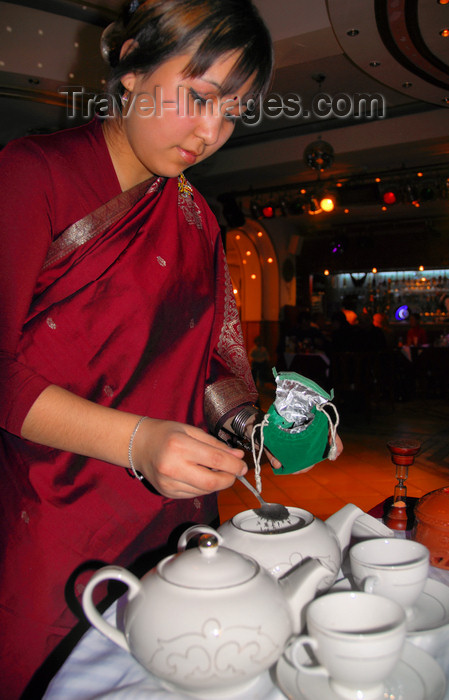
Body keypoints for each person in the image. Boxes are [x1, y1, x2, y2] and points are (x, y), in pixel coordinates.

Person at [0, 3, 318, 697]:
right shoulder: (32, 175)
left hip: (169, 512)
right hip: (50, 514)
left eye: (231, 113)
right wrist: (137, 441)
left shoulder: (193, 214)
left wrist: (255, 430)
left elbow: (201, 361)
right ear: (134, 64)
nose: (210, 133)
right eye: (199, 98)